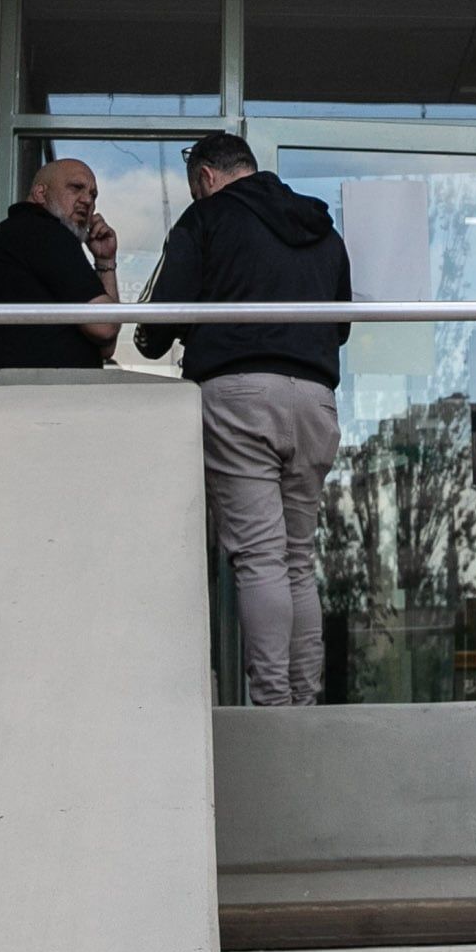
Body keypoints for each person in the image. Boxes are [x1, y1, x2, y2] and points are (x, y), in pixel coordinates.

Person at [137, 133, 352, 708]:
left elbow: (158, 327)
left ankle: (273, 710)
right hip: (315, 398)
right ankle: (303, 705)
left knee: (259, 557)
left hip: (238, 395)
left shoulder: (205, 220)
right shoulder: (322, 230)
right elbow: (342, 325)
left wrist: (148, 331)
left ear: (206, 177)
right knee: (296, 559)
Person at [0, 157, 121, 388]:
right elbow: (104, 327)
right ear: (40, 193)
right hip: (29, 400)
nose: (87, 200)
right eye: (76, 188)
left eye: (93, 195)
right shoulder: (39, 230)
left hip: (27, 398)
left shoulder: (24, 233)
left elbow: (106, 345)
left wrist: (105, 261)